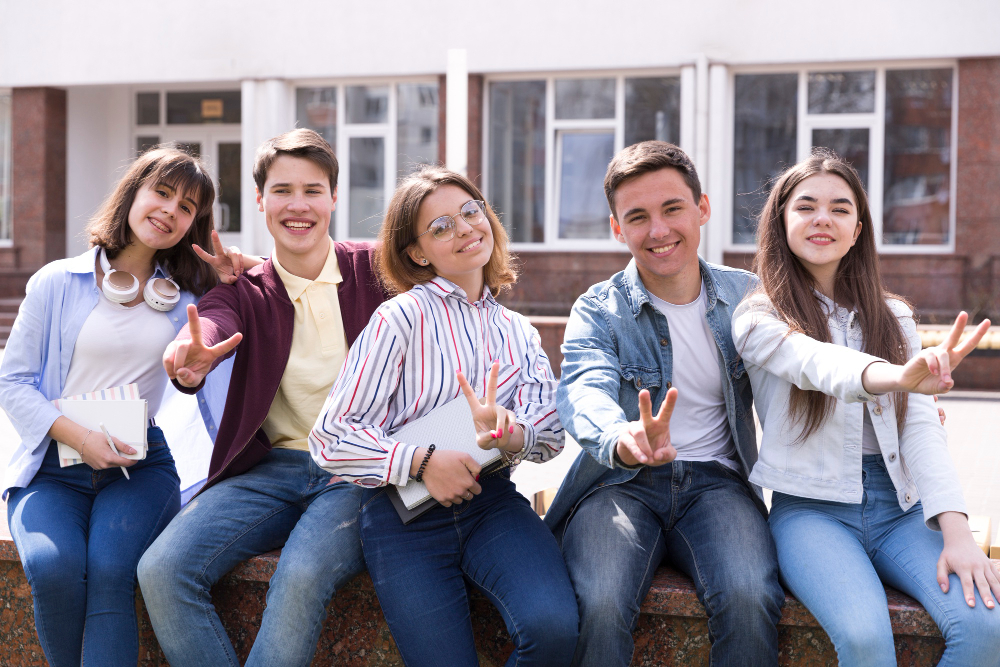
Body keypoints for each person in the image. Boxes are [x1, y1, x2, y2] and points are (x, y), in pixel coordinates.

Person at [732, 150, 1000, 666]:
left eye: (840, 208)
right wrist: (897, 376)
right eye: (806, 206)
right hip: (811, 513)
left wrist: (956, 530)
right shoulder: (758, 318)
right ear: (781, 221)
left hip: (901, 509)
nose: (822, 219)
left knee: (986, 627)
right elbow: (818, 362)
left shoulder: (894, 316)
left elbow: (923, 432)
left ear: (857, 230)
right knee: (865, 641)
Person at [137, 128, 388, 667]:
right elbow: (209, 329)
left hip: (357, 471)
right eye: (281, 191)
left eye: (313, 190)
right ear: (260, 200)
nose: (298, 205)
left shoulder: (376, 269)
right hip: (270, 470)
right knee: (161, 569)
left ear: (334, 198)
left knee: (299, 574)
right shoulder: (241, 290)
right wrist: (192, 357)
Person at [309, 166, 579, 667]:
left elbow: (551, 432)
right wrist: (421, 461)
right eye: (441, 227)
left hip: (492, 504)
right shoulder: (399, 319)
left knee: (555, 630)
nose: (464, 229)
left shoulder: (518, 331)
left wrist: (511, 433)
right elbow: (330, 438)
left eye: (470, 212)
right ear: (416, 253)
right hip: (403, 518)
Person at [545, 141, 784, 666]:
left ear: (702, 207)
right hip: (618, 484)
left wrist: (887, 403)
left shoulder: (749, 297)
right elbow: (582, 387)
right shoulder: (599, 308)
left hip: (717, 482)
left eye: (672, 208)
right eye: (638, 217)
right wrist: (621, 437)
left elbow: (811, 365)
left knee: (749, 598)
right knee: (600, 604)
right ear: (617, 228)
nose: (658, 230)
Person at [1, 147, 243, 666]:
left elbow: (197, 372)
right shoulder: (56, 281)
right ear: (133, 192)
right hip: (52, 465)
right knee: (53, 566)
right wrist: (80, 437)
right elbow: (12, 382)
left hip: (140, 466)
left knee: (113, 570)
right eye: (162, 192)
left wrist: (193, 367)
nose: (170, 211)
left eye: (187, 208)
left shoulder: (188, 301)